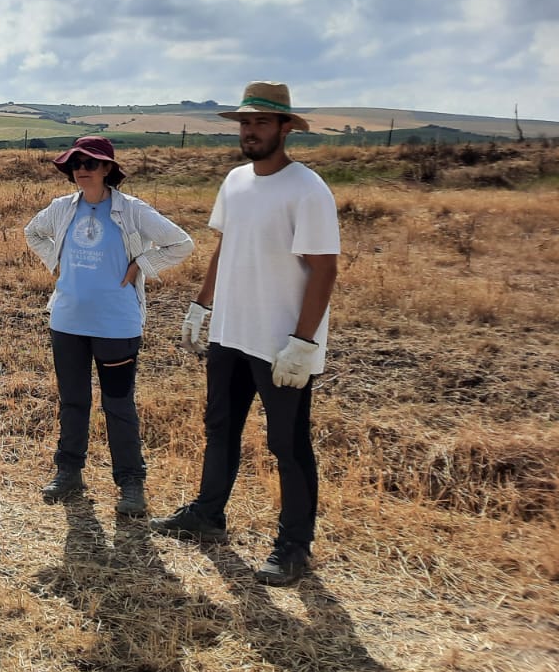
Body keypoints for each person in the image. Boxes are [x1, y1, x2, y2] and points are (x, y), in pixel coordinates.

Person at [151, 82, 340, 587]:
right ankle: (209, 515)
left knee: (288, 443)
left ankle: (294, 546)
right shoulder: (235, 181)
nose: (250, 131)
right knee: (220, 428)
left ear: (284, 128)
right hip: (231, 333)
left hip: (280, 342)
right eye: (244, 123)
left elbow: (324, 269)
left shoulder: (307, 189)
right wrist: (200, 304)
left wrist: (304, 342)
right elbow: (225, 246)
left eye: (260, 122)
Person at [24, 136, 193, 517]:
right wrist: (58, 262)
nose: (82, 168)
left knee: (118, 405)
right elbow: (32, 232)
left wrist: (142, 266)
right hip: (67, 321)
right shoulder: (60, 209)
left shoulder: (132, 211)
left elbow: (181, 244)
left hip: (117, 325)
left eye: (91, 162)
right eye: (76, 162)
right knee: (73, 400)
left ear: (107, 170)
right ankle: (69, 473)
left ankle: (131, 485)